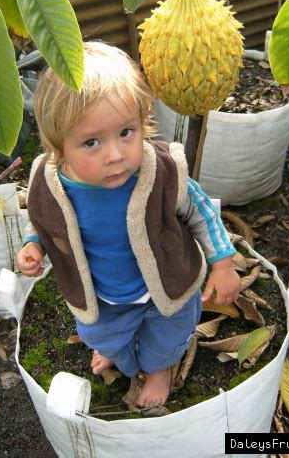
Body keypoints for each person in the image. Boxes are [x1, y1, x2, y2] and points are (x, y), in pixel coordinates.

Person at [16, 41, 241, 408]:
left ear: (143, 122)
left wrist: (223, 263)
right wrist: (33, 245)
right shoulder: (51, 183)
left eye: (126, 132)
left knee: (164, 340)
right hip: (105, 296)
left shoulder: (161, 173)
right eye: (91, 142)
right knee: (101, 336)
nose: (116, 154)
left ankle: (159, 370)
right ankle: (116, 349)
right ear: (59, 147)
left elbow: (201, 211)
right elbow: (43, 217)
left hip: (166, 287)